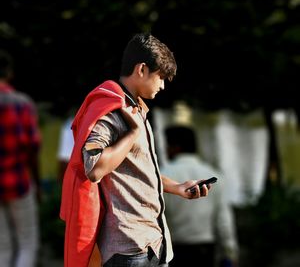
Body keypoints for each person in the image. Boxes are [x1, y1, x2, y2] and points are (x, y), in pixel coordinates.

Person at [60, 33, 212, 267]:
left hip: (153, 243)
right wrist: (131, 134)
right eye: (160, 77)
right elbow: (94, 168)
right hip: (129, 249)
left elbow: (138, 171)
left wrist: (178, 188)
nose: (162, 86)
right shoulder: (111, 109)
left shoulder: (136, 109)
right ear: (142, 69)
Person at [161, 125, 239, 267]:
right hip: (205, 251)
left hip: (174, 250)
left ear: (175, 147)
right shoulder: (213, 174)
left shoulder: (163, 176)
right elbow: (223, 221)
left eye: (167, 145)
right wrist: (229, 252)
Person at [0, 49, 41, 267]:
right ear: (9, 73)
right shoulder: (21, 103)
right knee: (27, 243)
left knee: (2, 248)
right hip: (18, 183)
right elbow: (33, 149)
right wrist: (37, 182)